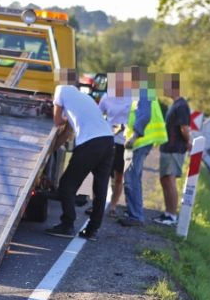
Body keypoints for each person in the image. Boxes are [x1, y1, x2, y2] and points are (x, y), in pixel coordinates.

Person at [45, 68, 114, 240]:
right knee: (100, 188)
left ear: (61, 80)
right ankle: (92, 230)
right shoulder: (85, 98)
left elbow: (57, 120)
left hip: (90, 143)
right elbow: (67, 133)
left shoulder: (61, 90)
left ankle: (67, 224)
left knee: (67, 184)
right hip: (108, 141)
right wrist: (50, 151)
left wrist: (58, 114)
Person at [118, 67, 168, 227]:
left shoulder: (143, 92)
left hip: (140, 142)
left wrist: (134, 136)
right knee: (134, 178)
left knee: (131, 178)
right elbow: (136, 115)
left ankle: (135, 216)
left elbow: (145, 116)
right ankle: (135, 213)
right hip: (141, 141)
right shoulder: (144, 92)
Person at [154, 73, 191, 226]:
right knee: (164, 180)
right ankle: (167, 212)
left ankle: (172, 215)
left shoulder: (181, 106)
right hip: (167, 147)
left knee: (170, 179)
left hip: (174, 148)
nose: (164, 89)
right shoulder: (174, 105)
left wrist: (189, 142)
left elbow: (184, 128)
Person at [97, 71, 134, 217]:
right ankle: (96, 205)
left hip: (123, 142)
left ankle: (112, 206)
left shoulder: (131, 98)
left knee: (119, 176)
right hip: (108, 139)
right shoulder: (106, 97)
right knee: (102, 174)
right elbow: (98, 114)